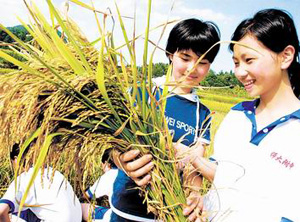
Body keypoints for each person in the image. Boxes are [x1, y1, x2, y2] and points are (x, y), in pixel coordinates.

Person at [176, 8, 300, 222]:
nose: (239, 72)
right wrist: (200, 198)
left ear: (286, 56)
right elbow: (224, 178)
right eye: (235, 62)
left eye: (249, 60)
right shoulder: (237, 114)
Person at [111, 18, 221, 222]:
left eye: (202, 62)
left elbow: (193, 164)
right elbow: (114, 145)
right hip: (127, 205)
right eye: (185, 57)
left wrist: (194, 193)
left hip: (169, 212)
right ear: (171, 54)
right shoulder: (142, 92)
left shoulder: (202, 113)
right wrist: (123, 162)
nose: (192, 68)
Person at [0, 144, 82, 222]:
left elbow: (1, 211)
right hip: (76, 219)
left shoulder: (24, 178)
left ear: (16, 159)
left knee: (13, 213)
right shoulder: (55, 173)